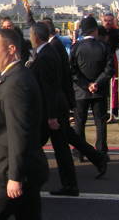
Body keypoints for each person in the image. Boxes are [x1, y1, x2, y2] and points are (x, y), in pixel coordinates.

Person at [0, 29, 48, 220]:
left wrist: (14, 177)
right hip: (20, 168)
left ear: (12, 49)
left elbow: (18, 132)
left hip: (7, 171)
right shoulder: (14, 76)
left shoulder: (16, 82)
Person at [27, 22, 80, 196]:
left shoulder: (45, 56)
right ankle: (67, 183)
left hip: (52, 110)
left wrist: (51, 116)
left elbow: (49, 88)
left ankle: (68, 185)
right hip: (54, 107)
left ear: (36, 37)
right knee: (52, 146)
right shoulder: (47, 52)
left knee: (57, 147)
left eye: (31, 35)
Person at [70, 16, 114, 158]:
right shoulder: (104, 47)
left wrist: (86, 84)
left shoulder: (76, 47)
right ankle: (101, 151)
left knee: (80, 123)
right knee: (100, 123)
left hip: (81, 92)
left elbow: (72, 70)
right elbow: (109, 69)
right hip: (99, 91)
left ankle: (79, 151)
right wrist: (97, 83)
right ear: (95, 30)